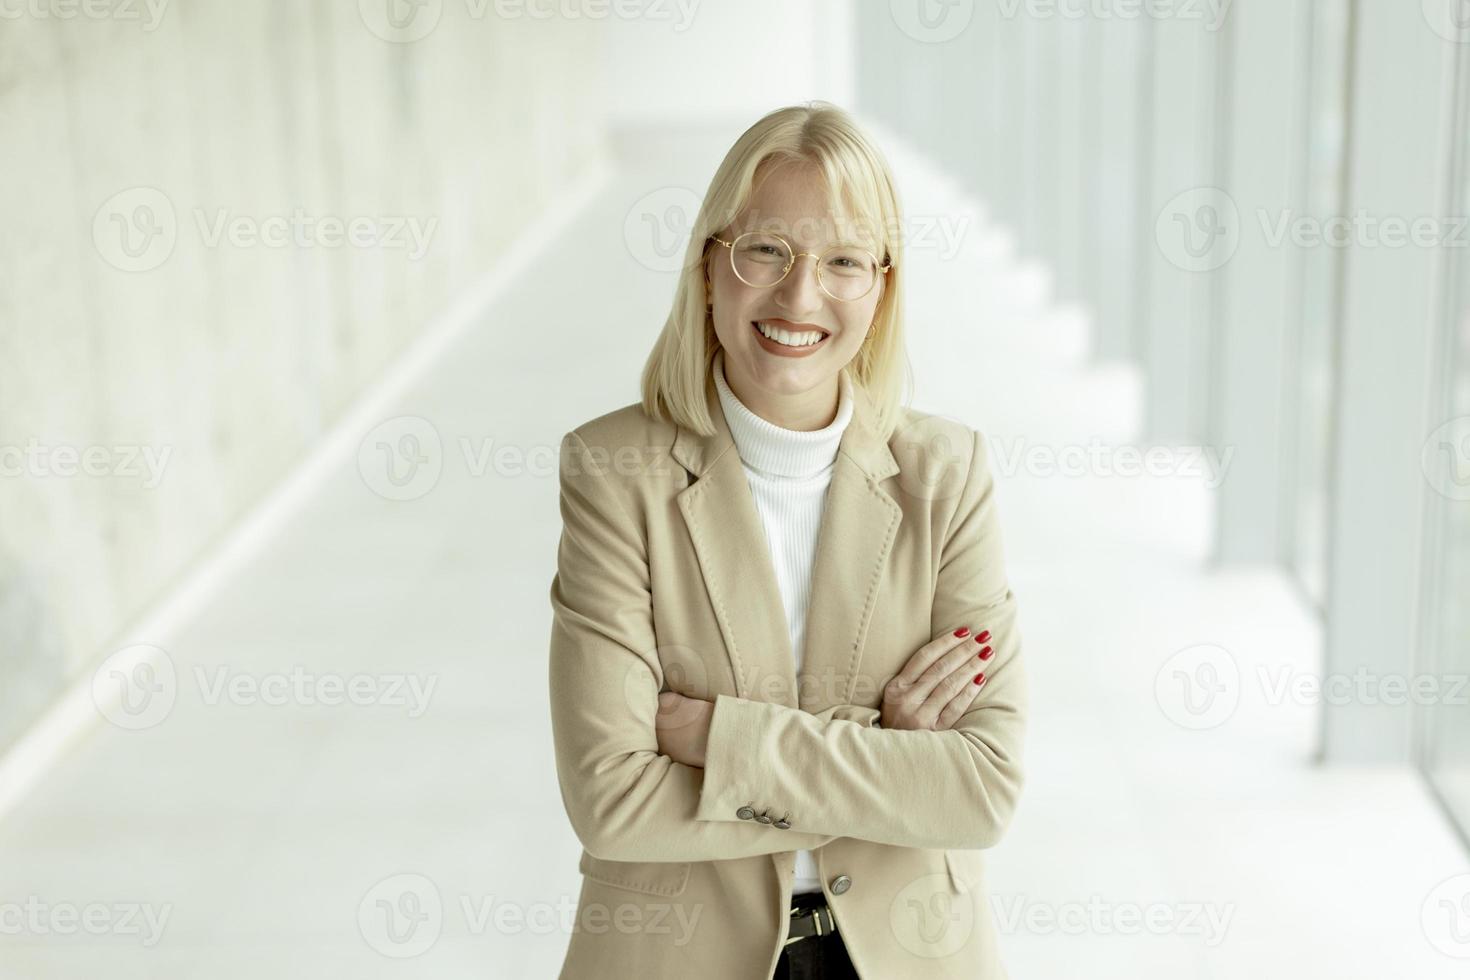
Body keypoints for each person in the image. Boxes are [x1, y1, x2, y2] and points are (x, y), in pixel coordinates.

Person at [548, 100, 1028, 980]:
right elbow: (611, 798)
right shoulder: (613, 469)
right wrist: (887, 746)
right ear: (709, 266)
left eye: (843, 261)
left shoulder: (948, 473)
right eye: (766, 250)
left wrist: (723, 740)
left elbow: (980, 789)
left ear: (880, 289)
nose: (800, 297)